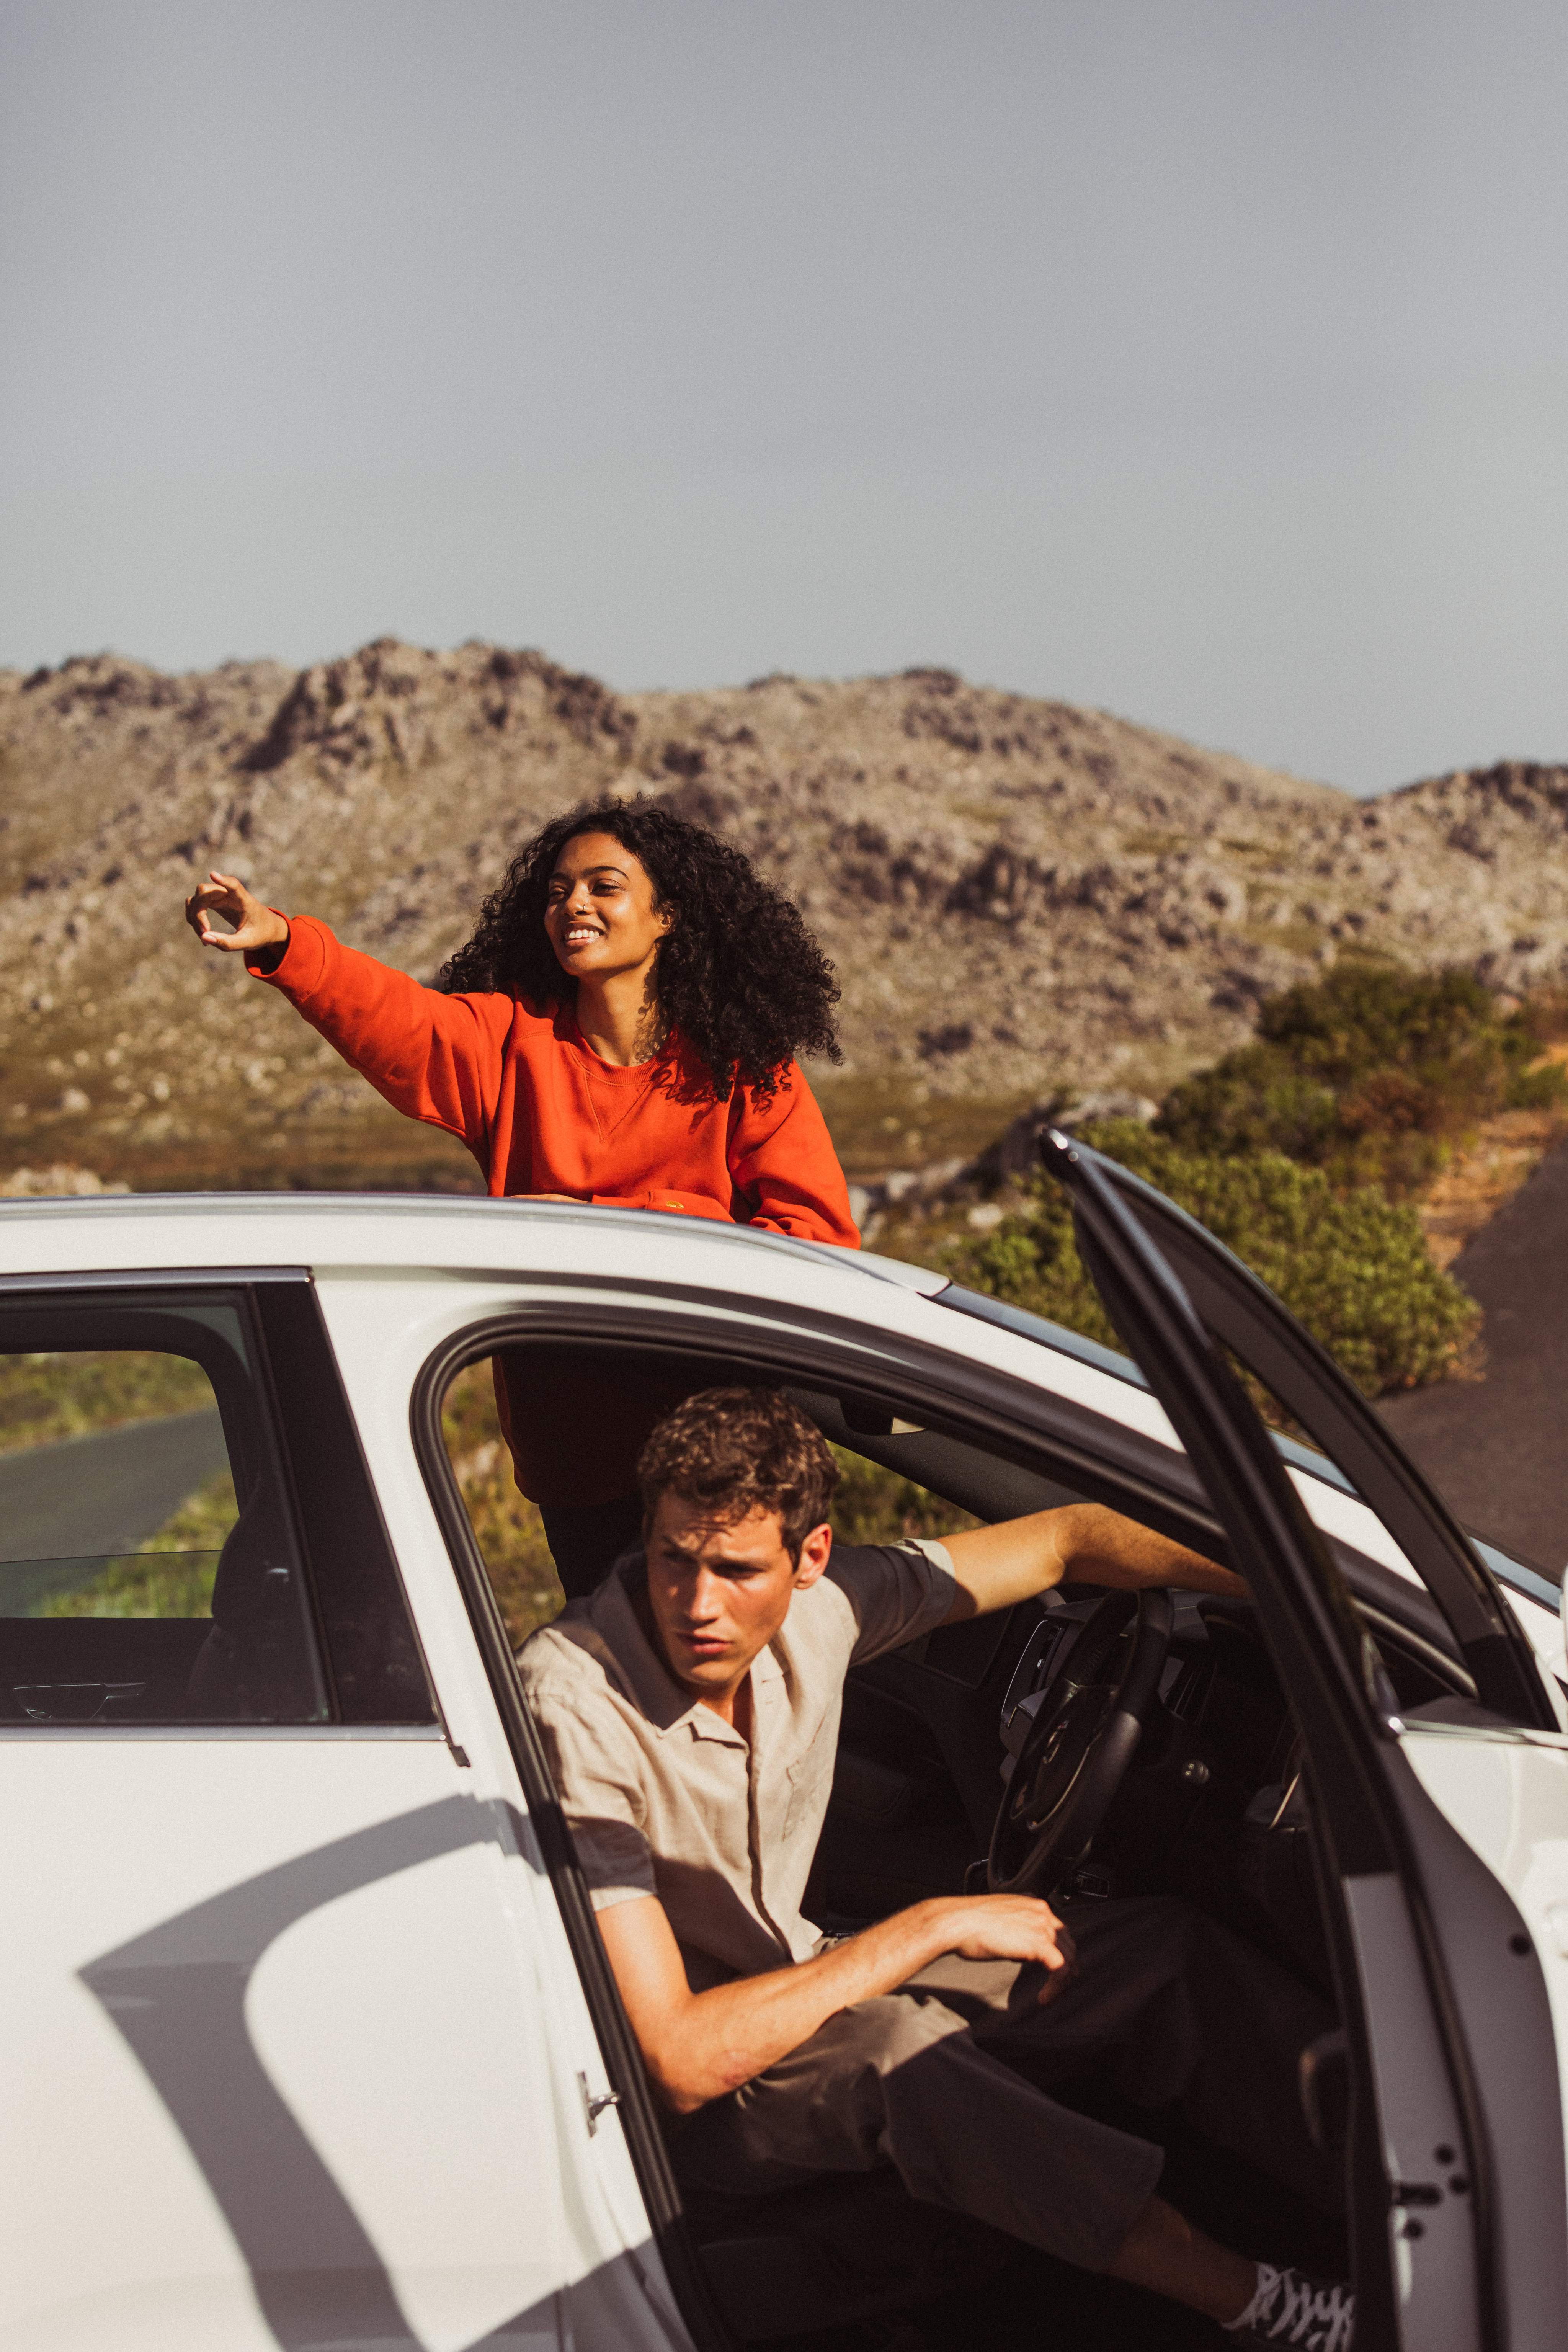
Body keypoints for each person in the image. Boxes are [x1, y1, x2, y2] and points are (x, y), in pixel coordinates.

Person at [518, 1387, 1356, 2350]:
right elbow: (676, 2062)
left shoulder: (821, 1617)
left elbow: (1066, 1541)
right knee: (898, 2054)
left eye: (735, 1569)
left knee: (1150, 1953)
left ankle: (1414, 2196)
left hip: (806, 1985)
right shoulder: (573, 1704)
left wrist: (1317, 1589)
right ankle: (1266, 2307)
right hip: (693, 2106)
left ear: (810, 1561)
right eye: (673, 1560)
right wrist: (934, 1923)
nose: (696, 1605)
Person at [184, 804, 858, 1591]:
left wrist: (630, 1229)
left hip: (721, 1457)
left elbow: (816, 1246)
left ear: (667, 914)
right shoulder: (508, 1045)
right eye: (557, 891)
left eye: (602, 887)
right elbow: (399, 1021)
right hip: (577, 1468)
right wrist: (284, 942)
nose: (571, 904)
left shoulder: (743, 1067)